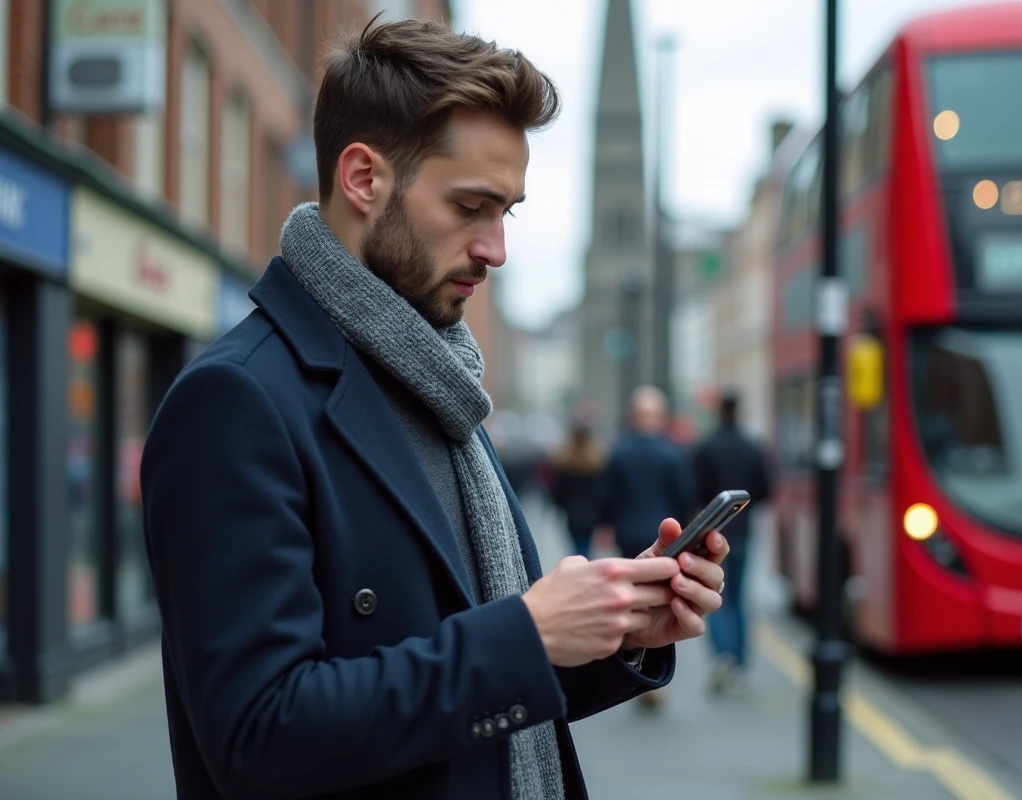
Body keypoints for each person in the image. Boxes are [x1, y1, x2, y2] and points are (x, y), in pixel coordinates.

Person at [140, 18, 728, 800]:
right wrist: (527, 635)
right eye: (471, 207)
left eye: (507, 212)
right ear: (363, 179)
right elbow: (258, 737)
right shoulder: (235, 402)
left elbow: (480, 700)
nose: (496, 249)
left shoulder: (440, 385)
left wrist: (611, 634)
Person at [597, 386, 695, 709]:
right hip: (666, 536)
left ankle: (634, 671)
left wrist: (609, 524)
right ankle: (655, 680)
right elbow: (684, 496)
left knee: (635, 602)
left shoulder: (619, 452)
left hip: (628, 534)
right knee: (661, 603)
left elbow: (607, 497)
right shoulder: (672, 453)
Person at [693, 392, 773, 694]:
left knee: (716, 596)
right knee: (740, 597)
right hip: (744, 532)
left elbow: (695, 491)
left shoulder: (706, 447)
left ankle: (723, 655)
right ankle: (739, 660)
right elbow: (765, 491)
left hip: (713, 535)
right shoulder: (752, 447)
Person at [548, 420, 606, 556]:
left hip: (572, 514)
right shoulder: (597, 464)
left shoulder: (565, 463)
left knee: (577, 547)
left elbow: (558, 493)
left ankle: (581, 566)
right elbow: (602, 492)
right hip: (591, 515)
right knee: (586, 546)